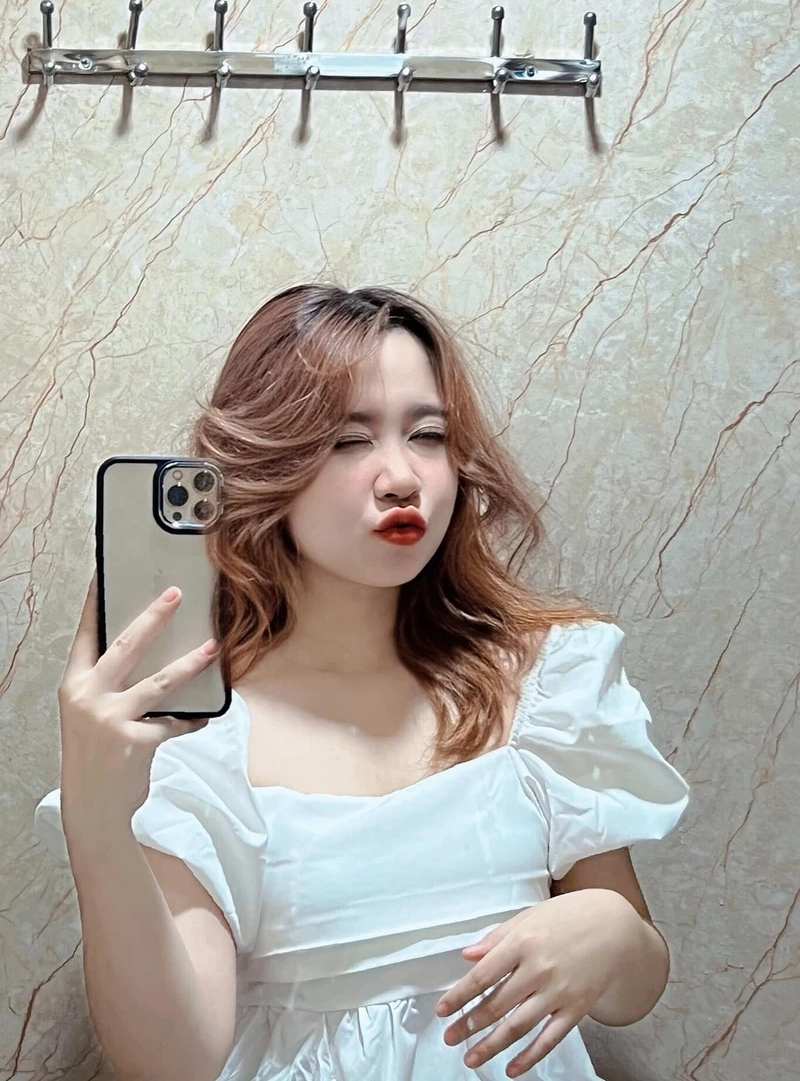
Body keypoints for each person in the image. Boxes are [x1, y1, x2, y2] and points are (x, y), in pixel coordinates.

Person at [34, 283, 690, 1081]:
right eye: (349, 440)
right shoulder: (195, 732)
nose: (402, 477)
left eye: (428, 435)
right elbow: (173, 1064)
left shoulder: (543, 681)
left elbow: (632, 992)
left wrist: (613, 933)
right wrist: (98, 822)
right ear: (268, 461)